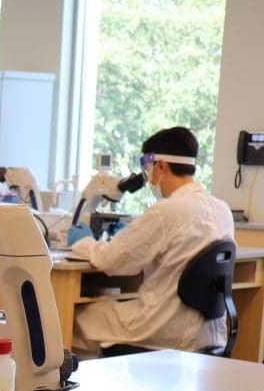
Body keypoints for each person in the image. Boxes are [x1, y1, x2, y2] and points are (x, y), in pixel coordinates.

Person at [71, 126, 234, 355]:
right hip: (209, 334)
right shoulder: (222, 209)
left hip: (163, 330)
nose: (148, 178)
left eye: (147, 169)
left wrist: (84, 241)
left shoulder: (166, 211)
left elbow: (110, 261)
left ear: (161, 166)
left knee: (75, 319)